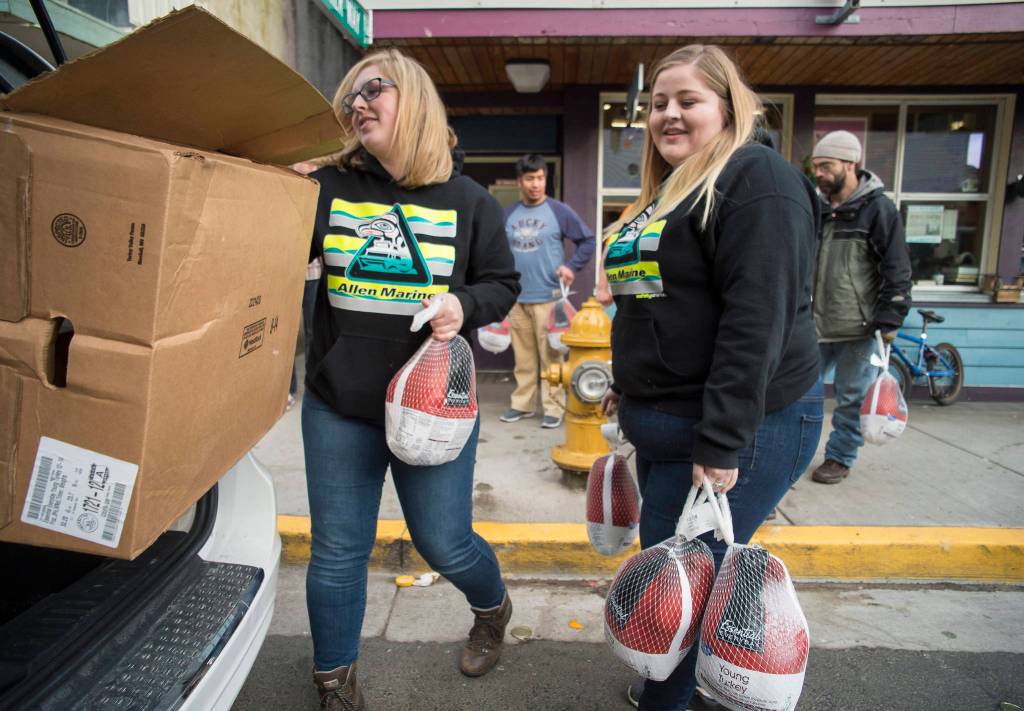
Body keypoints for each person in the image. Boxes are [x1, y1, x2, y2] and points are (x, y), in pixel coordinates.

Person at [600, 45, 823, 710]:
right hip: (671, 424)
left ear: (728, 108)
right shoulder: (671, 188)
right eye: (657, 103)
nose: (668, 114)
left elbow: (757, 321)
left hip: (739, 426)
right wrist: (627, 380)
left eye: (687, 100)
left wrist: (723, 439)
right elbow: (656, 304)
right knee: (677, 585)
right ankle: (677, 688)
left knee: (677, 600)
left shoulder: (757, 180)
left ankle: (664, 701)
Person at [302, 49, 520, 710]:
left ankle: (492, 608)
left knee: (443, 542)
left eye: (374, 89)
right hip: (339, 403)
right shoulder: (324, 189)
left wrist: (464, 304)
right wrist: (274, 191)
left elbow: (501, 283)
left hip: (433, 407)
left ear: (416, 101)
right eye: (351, 95)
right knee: (337, 551)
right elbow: (267, 256)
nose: (358, 103)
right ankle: (334, 683)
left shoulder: (469, 200)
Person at [808, 130, 912, 485]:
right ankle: (794, 454)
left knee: (852, 398)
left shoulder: (878, 210)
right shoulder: (818, 209)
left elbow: (897, 268)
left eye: (826, 166)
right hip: (812, 325)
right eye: (816, 166)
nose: (819, 173)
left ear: (850, 163)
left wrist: (892, 316)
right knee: (797, 395)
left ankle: (839, 457)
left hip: (858, 327)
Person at [500, 154, 595, 428]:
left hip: (549, 298)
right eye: (530, 178)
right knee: (523, 359)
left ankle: (554, 407)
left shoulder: (559, 211)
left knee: (551, 356)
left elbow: (587, 240)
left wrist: (572, 267)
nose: (536, 184)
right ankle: (522, 404)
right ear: (520, 181)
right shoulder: (508, 214)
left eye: (540, 178)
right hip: (517, 298)